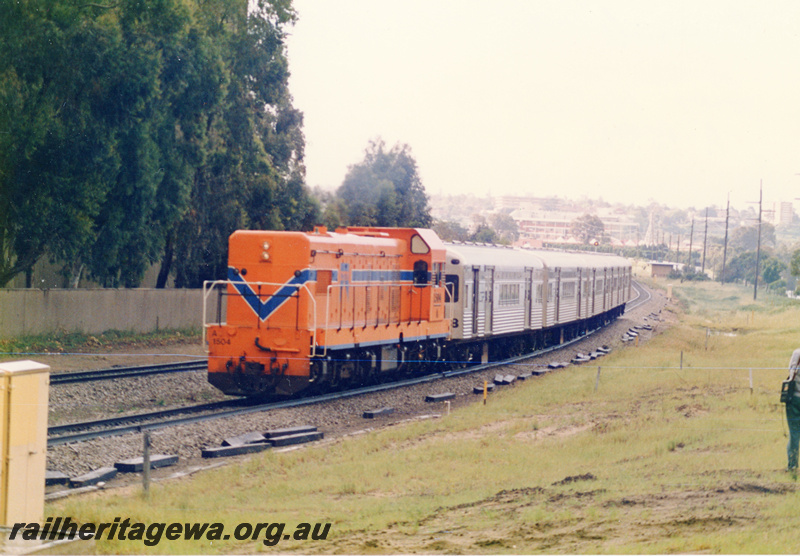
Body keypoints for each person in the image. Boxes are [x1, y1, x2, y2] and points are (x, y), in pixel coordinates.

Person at [785, 348, 800, 471]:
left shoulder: (797, 353)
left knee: (794, 433)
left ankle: (793, 465)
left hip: (795, 398)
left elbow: (791, 375)